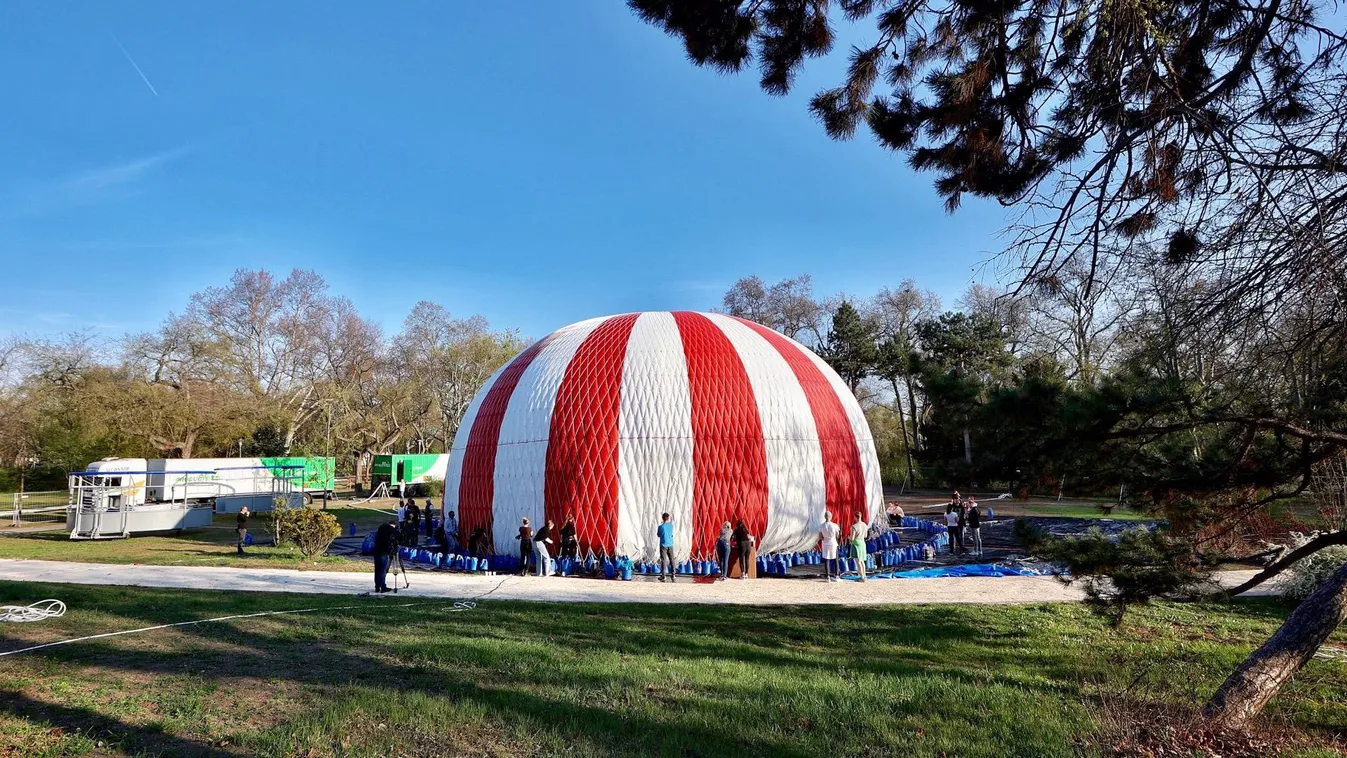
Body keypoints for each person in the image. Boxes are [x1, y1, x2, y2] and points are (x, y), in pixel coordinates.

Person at [372, 519, 399, 593]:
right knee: (382, 570)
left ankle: (377, 586)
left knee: (377, 570)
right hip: (383, 553)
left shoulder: (379, 531)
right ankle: (383, 586)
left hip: (376, 552)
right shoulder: (388, 532)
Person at [819, 511, 841, 582]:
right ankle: (837, 576)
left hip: (825, 543)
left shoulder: (821, 526)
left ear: (825, 517)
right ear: (831, 517)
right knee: (835, 560)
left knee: (827, 559)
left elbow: (820, 536)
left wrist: (825, 537)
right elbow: (837, 535)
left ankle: (828, 576)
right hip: (833, 543)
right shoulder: (835, 525)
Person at [850, 511, 869, 582]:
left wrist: (849, 538)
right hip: (862, 542)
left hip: (856, 543)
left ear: (855, 517)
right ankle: (864, 575)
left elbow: (852, 538)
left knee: (858, 561)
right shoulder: (865, 525)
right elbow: (866, 535)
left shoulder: (854, 526)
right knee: (862, 561)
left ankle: (862, 576)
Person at [657, 512, 675, 583]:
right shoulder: (671, 526)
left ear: (662, 518)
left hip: (663, 545)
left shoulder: (661, 527)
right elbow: (671, 534)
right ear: (668, 518)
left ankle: (663, 576)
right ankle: (673, 574)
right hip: (670, 544)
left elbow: (658, 535)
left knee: (663, 560)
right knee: (672, 560)